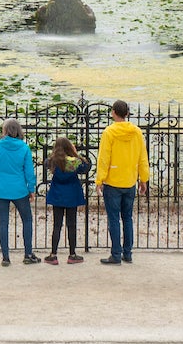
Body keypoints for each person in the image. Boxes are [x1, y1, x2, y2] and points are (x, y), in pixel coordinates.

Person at [94, 99, 149, 265]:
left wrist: (99, 180)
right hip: (130, 181)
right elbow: (142, 158)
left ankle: (116, 254)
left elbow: (104, 158)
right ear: (127, 113)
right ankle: (128, 253)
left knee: (113, 219)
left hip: (113, 181)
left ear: (113, 112)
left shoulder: (109, 132)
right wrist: (143, 179)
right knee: (127, 218)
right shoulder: (137, 132)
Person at [0, 118, 40, 266]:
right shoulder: (24, 148)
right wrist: (31, 188)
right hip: (19, 189)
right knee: (27, 220)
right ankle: (28, 253)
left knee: (3, 222)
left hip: (1, 189)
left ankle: (6, 257)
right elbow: (29, 170)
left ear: (5, 130)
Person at [42, 137, 89, 264]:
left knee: (57, 225)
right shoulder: (75, 162)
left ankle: (53, 254)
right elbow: (86, 167)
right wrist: (75, 153)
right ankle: (72, 254)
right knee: (71, 224)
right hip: (72, 195)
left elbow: (45, 163)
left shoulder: (53, 161)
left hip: (58, 195)